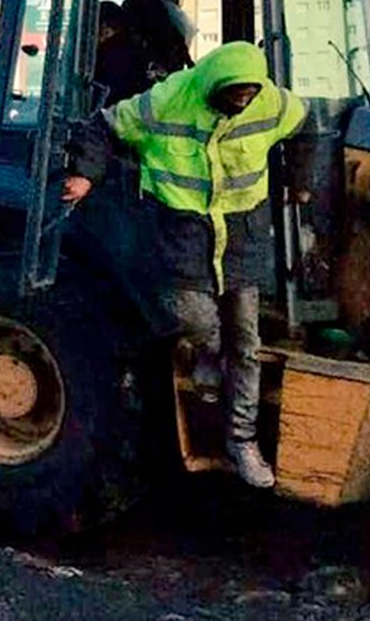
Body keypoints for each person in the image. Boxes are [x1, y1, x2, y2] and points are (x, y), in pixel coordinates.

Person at [63, 41, 307, 489]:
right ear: (215, 83)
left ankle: (242, 442)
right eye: (236, 91)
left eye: (251, 91)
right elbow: (102, 126)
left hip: (240, 237)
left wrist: (302, 182)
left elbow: (306, 124)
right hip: (184, 235)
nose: (245, 98)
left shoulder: (270, 101)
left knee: (246, 344)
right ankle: (207, 353)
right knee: (192, 317)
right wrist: (85, 175)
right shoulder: (168, 100)